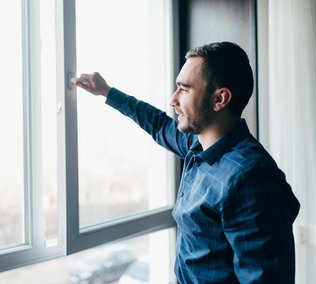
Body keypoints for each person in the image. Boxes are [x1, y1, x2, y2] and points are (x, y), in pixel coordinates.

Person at [74, 42, 300, 284]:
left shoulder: (249, 177)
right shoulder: (198, 146)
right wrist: (107, 91)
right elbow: (159, 124)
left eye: (184, 89)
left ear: (220, 99)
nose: (173, 100)